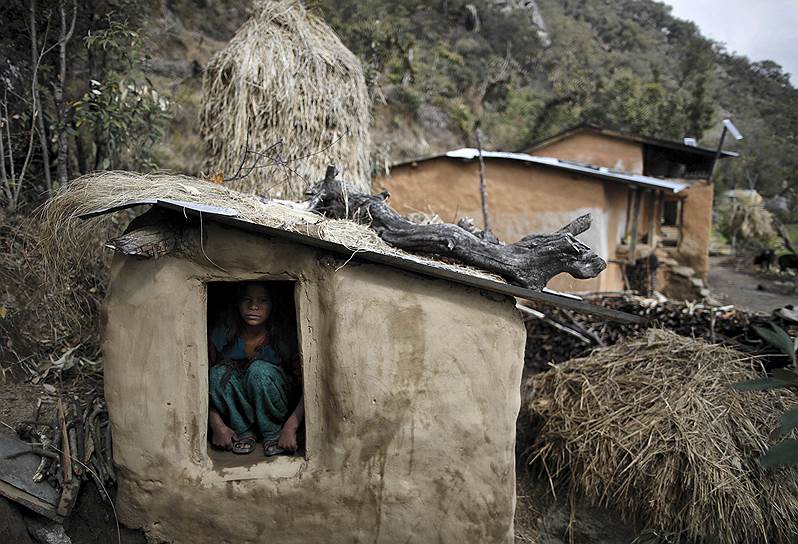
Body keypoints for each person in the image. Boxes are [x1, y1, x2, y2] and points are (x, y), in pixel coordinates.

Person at [207, 282, 304, 456]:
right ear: (237, 303)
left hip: (278, 409)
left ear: (273, 304)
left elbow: (309, 387)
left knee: (259, 371)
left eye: (263, 301)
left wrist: (291, 427)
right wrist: (216, 425)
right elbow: (200, 385)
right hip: (236, 413)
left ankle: (272, 433)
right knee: (217, 374)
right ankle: (243, 432)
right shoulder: (221, 334)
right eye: (247, 299)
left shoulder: (285, 337)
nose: (253, 306)